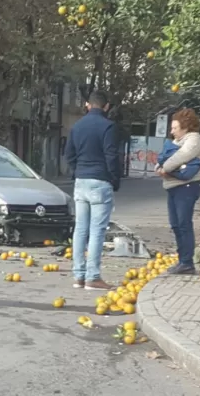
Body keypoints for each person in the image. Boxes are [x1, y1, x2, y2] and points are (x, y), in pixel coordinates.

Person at [65, 90, 120, 290]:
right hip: (100, 181)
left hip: (81, 180)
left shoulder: (77, 126)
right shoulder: (108, 126)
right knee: (96, 231)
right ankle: (93, 277)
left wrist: (77, 171)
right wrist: (114, 179)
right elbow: (111, 156)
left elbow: (68, 154)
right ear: (106, 107)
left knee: (80, 229)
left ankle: (78, 276)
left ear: (88, 105)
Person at [155, 108, 200, 275]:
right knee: (176, 224)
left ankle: (187, 262)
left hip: (187, 187)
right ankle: (182, 260)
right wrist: (160, 167)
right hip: (173, 186)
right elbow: (164, 157)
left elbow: (179, 157)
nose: (172, 131)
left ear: (185, 127)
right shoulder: (177, 142)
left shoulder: (194, 140)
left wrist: (164, 168)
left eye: (175, 128)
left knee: (184, 224)